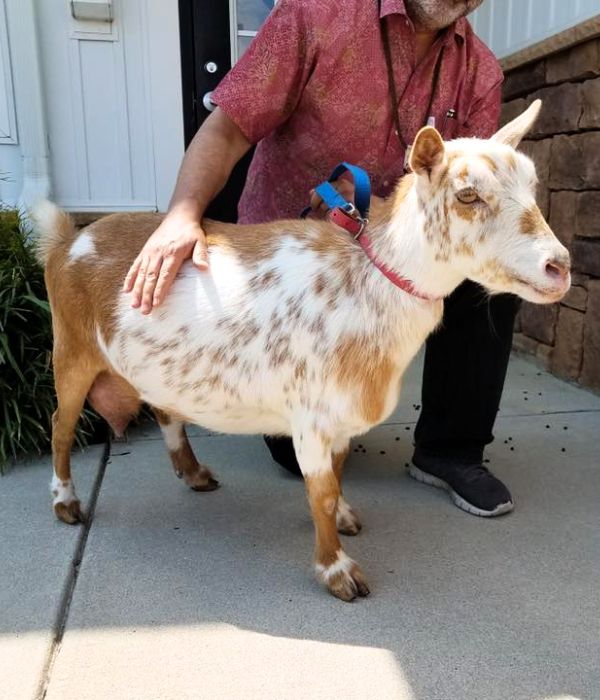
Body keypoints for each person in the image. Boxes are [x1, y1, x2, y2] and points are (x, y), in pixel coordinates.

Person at [123, 0, 518, 517]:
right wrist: (183, 213)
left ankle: (451, 450)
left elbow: (476, 190)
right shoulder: (313, 15)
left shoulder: (481, 71)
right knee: (297, 451)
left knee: (494, 274)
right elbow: (227, 129)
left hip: (397, 251)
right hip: (294, 258)